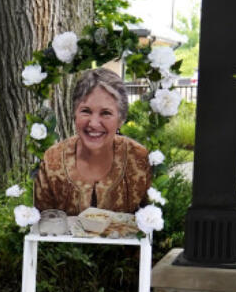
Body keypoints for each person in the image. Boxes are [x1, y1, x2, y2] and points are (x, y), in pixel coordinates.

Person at [34, 68, 150, 215]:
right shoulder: (53, 160)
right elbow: (40, 225)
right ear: (74, 113)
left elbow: (154, 222)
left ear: (121, 119)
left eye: (106, 113)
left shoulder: (138, 159)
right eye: (86, 111)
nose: (94, 123)